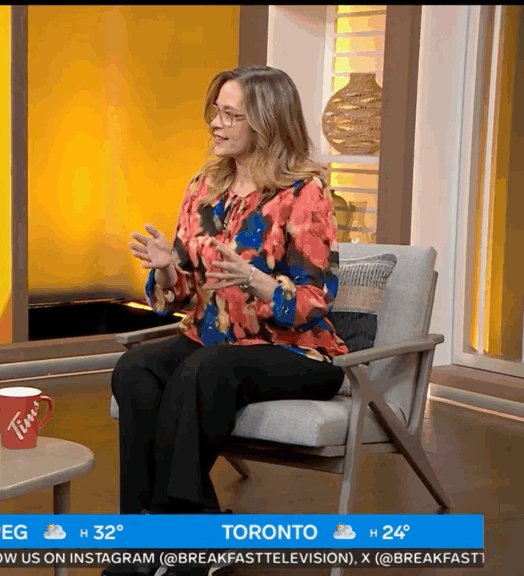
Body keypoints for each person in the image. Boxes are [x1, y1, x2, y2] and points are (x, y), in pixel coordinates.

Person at [109, 66, 349, 576]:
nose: (216, 124)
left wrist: (257, 282)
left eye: (231, 114)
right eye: (215, 111)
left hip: (296, 350)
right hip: (216, 336)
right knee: (137, 369)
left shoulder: (304, 192)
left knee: (207, 368)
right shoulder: (204, 187)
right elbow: (188, 292)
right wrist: (169, 269)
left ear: (266, 122)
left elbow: (315, 300)